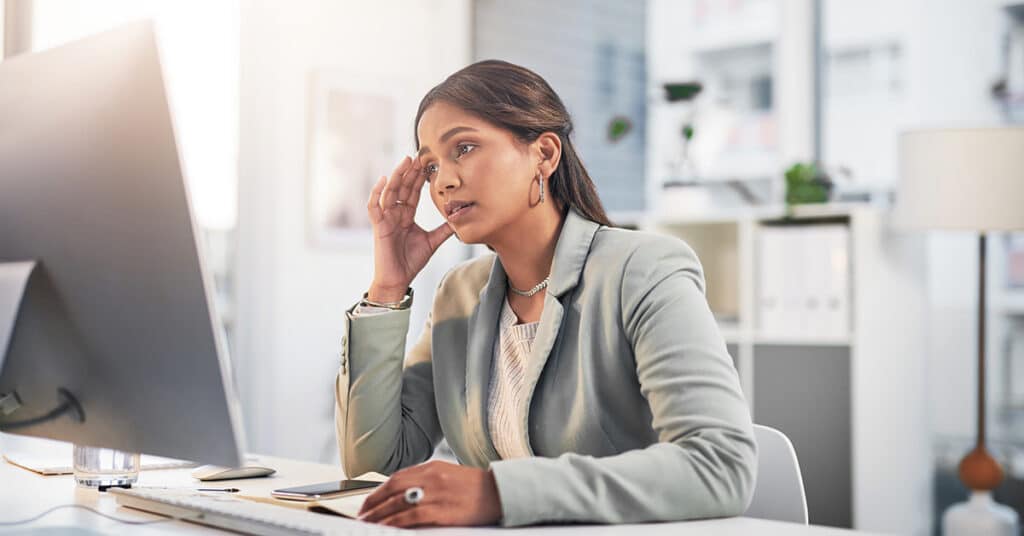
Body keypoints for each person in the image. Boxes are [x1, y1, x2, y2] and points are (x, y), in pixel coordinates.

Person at [336, 60, 757, 528]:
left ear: (545, 154)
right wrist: (388, 287)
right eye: (431, 165)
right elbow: (373, 462)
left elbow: (721, 465)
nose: (443, 182)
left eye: (465, 148)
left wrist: (498, 492)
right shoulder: (460, 295)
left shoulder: (643, 270)